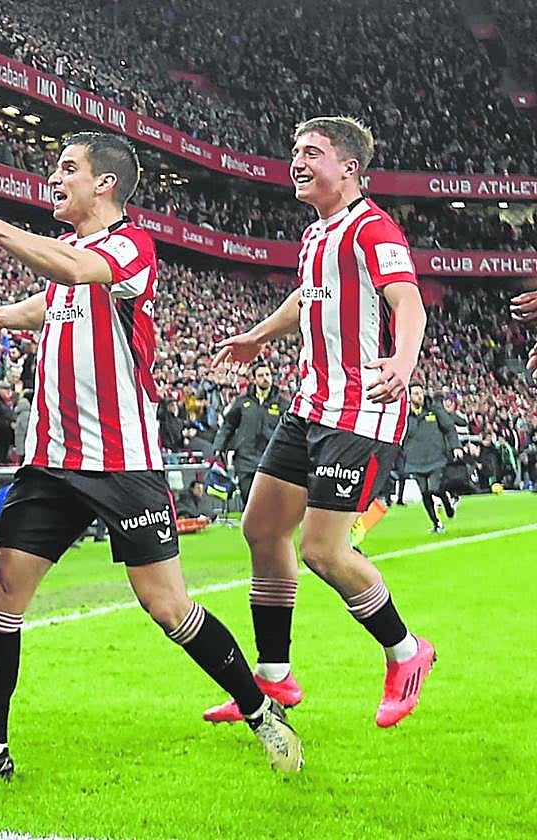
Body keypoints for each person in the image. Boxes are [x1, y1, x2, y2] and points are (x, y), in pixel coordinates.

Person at [0, 131, 302, 776]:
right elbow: (57, 296)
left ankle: (259, 711)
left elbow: (80, 274)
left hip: (121, 461)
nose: (54, 178)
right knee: (1, 592)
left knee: (167, 606)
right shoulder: (72, 251)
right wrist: (4, 316)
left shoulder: (131, 245)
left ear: (104, 183)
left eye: (66, 168)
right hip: (51, 461)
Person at [205, 116, 435, 729]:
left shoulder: (372, 228)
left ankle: (406, 651)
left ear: (349, 168)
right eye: (295, 151)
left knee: (323, 549)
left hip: (360, 411)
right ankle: (273, 676)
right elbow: (307, 300)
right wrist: (257, 335)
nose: (297, 162)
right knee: (261, 528)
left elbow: (407, 300)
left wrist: (403, 361)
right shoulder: (315, 235)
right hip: (310, 406)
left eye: (312, 152)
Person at [211, 363, 289, 505]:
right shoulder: (243, 402)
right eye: (261, 375)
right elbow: (228, 425)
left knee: (269, 504)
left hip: (271, 461)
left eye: (267, 375)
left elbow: (290, 432)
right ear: (254, 379)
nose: (265, 378)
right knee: (249, 502)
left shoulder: (283, 404)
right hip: (245, 461)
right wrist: (218, 446)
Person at [402, 384, 463, 533]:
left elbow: (449, 427)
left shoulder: (434, 410)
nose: (420, 396)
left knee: (434, 488)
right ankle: (436, 523)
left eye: (421, 393)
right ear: (409, 397)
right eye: (416, 393)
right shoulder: (404, 415)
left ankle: (447, 501)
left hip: (436, 457)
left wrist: (456, 446)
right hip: (415, 460)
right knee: (425, 493)